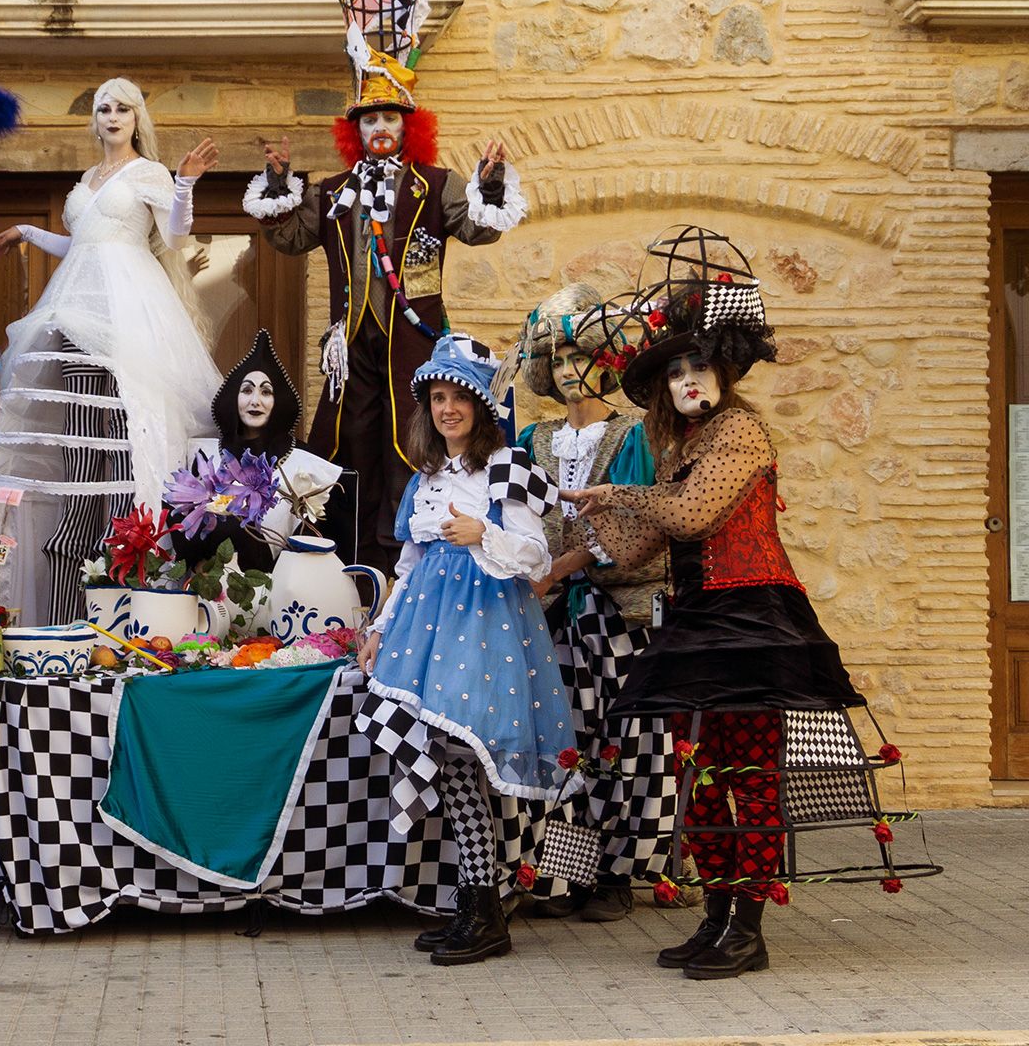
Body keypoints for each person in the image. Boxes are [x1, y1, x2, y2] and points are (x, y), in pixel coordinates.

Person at [566, 230, 879, 980]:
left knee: (749, 776)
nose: (686, 378)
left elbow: (691, 516)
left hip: (751, 620)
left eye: (697, 363)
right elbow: (641, 542)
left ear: (722, 371)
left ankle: (750, 924)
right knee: (695, 774)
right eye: (674, 370)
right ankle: (716, 914)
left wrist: (621, 495)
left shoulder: (739, 430)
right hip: (697, 620)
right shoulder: (677, 448)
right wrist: (581, 513)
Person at [245, 15, 524, 572]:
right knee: (352, 444)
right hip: (350, 344)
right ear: (356, 130)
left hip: (414, 342)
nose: (379, 125)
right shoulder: (332, 191)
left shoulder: (435, 185)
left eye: (389, 117)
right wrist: (278, 186)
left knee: (413, 440)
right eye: (370, 117)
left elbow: (478, 227)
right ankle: (354, 562)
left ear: (406, 127)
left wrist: (489, 183)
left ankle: (411, 558)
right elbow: (293, 237)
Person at [357, 333, 573, 966]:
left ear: (482, 405)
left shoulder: (510, 467)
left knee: (464, 755)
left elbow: (536, 558)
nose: (447, 409)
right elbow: (409, 559)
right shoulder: (425, 479)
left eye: (459, 397)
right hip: (426, 628)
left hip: (486, 628)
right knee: (448, 761)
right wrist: (378, 627)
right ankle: (477, 904)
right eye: (437, 398)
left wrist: (485, 535)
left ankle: (485, 910)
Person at [0, 79, 221, 624]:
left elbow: (175, 238)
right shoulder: (89, 179)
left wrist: (184, 184)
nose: (112, 116)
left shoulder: (150, 174)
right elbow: (83, 243)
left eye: (122, 109)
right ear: (95, 119)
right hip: (73, 306)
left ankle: (129, 581)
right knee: (79, 429)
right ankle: (68, 587)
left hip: (126, 307)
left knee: (124, 429)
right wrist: (26, 232)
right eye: (103, 108)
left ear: (137, 119)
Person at [513, 284, 674, 923]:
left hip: (617, 612)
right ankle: (564, 870)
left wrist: (571, 563)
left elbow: (640, 525)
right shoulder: (533, 438)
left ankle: (623, 873)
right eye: (557, 360)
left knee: (627, 737)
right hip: (547, 613)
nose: (569, 370)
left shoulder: (633, 438)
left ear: (607, 362)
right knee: (563, 737)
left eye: (580, 356)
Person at [182, 328, 344, 571]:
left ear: (278, 400)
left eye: (266, 391)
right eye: (247, 390)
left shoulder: (308, 466)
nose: (255, 401)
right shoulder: (201, 456)